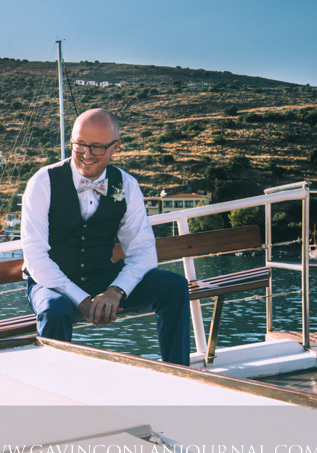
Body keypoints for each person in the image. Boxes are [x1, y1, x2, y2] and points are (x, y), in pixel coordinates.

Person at [21, 108, 190, 365]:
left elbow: (143, 251)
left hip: (103, 277)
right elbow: (35, 258)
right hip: (51, 282)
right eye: (79, 145)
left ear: (115, 147)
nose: (86, 155)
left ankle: (180, 374)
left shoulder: (127, 185)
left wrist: (115, 291)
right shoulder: (42, 182)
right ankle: (56, 391)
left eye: (97, 147)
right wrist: (83, 301)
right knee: (53, 310)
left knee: (175, 287)